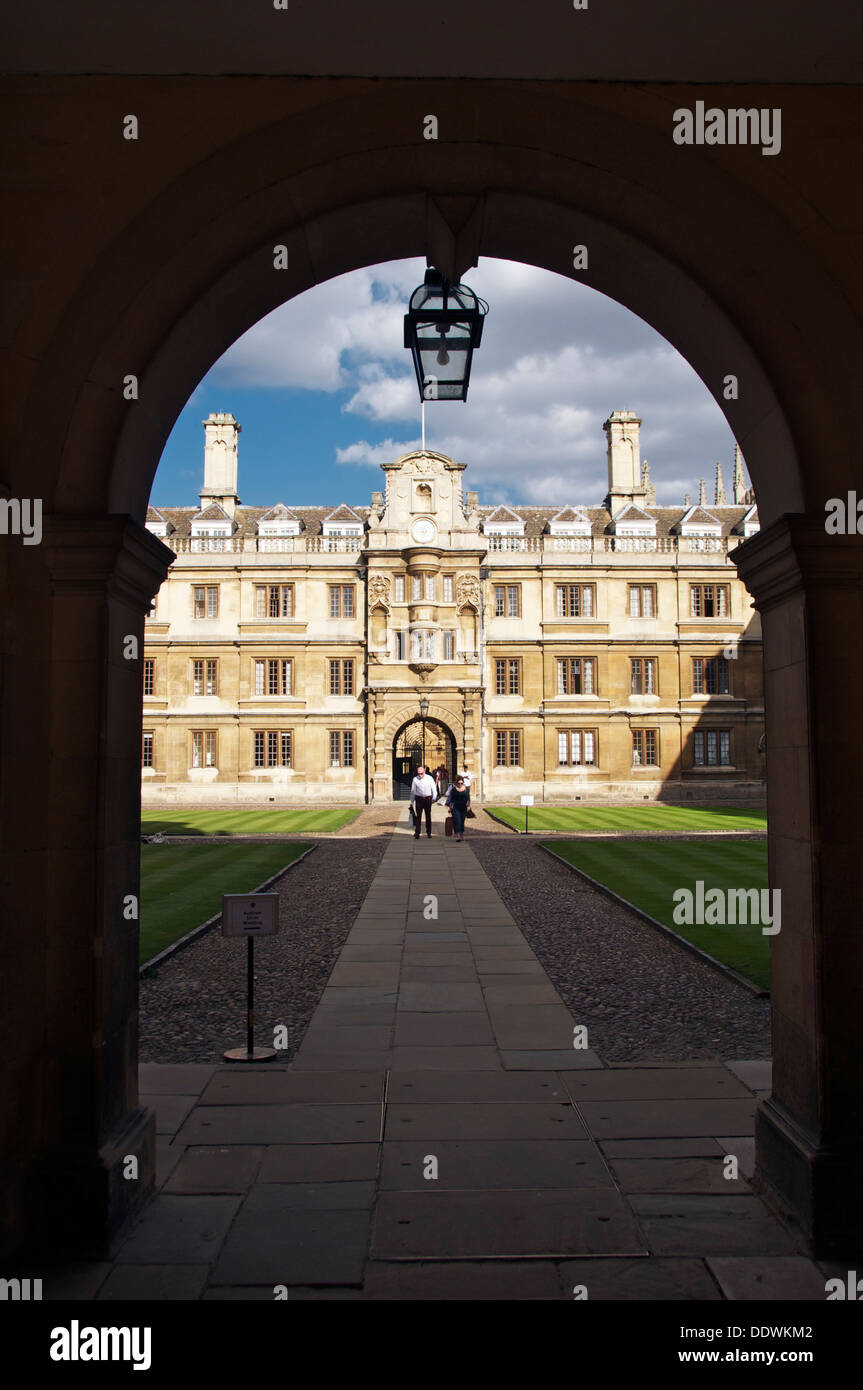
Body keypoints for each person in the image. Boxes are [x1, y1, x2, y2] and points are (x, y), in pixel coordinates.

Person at [409, 765, 437, 839]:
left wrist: (434, 798)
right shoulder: (415, 779)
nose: (420, 775)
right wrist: (411, 802)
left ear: (424, 772)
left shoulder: (429, 778)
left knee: (428, 816)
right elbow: (413, 791)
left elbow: (434, 788)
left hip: (428, 798)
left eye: (421, 773)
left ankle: (429, 832)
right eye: (419, 773)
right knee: (418, 816)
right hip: (419, 799)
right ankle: (417, 832)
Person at [445, 774, 471, 842]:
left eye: (461, 783)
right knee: (458, 821)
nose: (460, 784)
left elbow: (468, 799)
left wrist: (468, 806)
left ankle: (461, 834)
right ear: (456, 783)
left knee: (462, 822)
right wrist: (450, 808)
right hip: (456, 808)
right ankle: (459, 836)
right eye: (459, 783)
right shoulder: (454, 790)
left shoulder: (466, 789)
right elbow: (452, 800)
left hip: (463, 808)